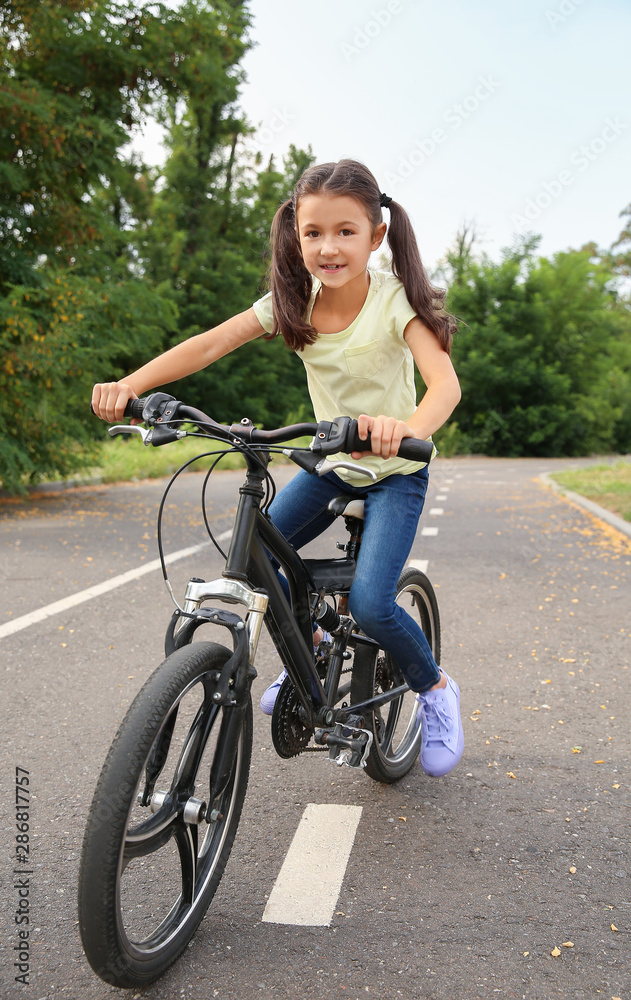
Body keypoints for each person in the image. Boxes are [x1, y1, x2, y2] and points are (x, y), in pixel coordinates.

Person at [92, 158, 463, 778]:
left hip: (397, 470)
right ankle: (308, 657)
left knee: (372, 604)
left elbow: (444, 387)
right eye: (313, 232)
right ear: (295, 234)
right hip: (329, 464)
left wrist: (407, 431)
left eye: (346, 232)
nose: (328, 247)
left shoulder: (395, 302)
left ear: (376, 237)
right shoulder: (294, 301)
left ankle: (434, 689)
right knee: (261, 564)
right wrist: (131, 384)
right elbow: (212, 342)